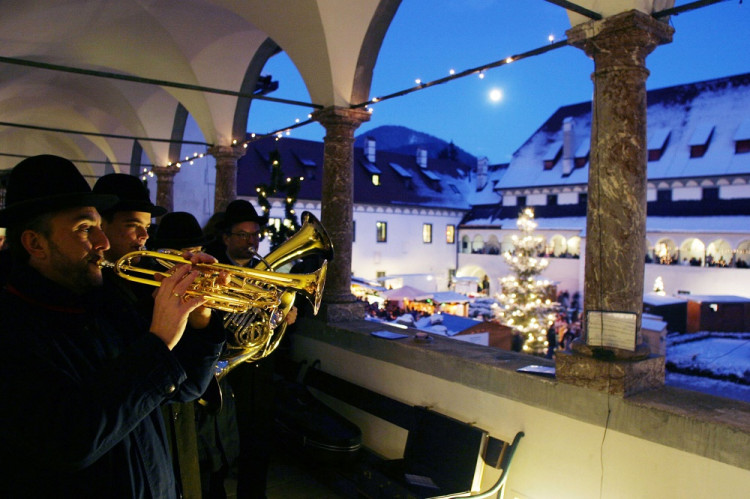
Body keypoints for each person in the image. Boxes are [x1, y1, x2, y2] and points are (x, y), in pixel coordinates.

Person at [0, 155, 225, 498]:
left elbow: (187, 388)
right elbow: (70, 441)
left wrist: (198, 318)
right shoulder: (12, 327)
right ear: (36, 244)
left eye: (99, 227)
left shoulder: (107, 302)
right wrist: (159, 338)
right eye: (84, 229)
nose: (103, 243)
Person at [207, 199, 293, 499]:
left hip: (259, 372)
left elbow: (277, 323)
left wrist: (285, 315)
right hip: (223, 373)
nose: (250, 241)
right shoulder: (212, 269)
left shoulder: (267, 273)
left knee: (258, 445)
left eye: (255, 235)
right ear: (226, 237)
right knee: (217, 444)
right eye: (242, 235)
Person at [152, 211, 240, 499]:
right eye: (186, 253)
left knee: (213, 476)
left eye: (198, 251)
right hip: (175, 417)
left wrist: (204, 314)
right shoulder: (155, 292)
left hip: (209, 405)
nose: (195, 260)